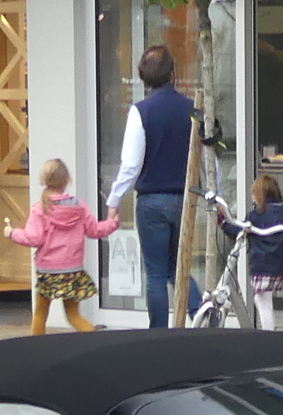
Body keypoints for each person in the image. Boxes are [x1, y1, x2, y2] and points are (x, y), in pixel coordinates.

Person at [107, 47, 197, 327]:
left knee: (156, 272)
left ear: (143, 78)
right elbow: (201, 156)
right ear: (173, 74)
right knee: (177, 268)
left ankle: (158, 333)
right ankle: (202, 312)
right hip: (183, 199)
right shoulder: (191, 109)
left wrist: (114, 200)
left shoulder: (141, 111)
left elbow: (131, 164)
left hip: (151, 202)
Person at [5, 159, 117, 335]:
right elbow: (95, 230)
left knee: (40, 313)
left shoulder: (40, 208)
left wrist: (12, 232)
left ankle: (38, 350)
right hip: (72, 270)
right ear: (67, 181)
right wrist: (112, 223)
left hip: (47, 271)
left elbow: (33, 238)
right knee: (73, 315)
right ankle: (96, 340)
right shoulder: (78, 207)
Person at [242, 172, 283, 330]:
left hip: (262, 266)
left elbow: (237, 231)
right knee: (266, 300)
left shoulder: (257, 215)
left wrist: (222, 221)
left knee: (262, 301)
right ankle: (269, 331)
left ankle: (268, 334)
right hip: (280, 266)